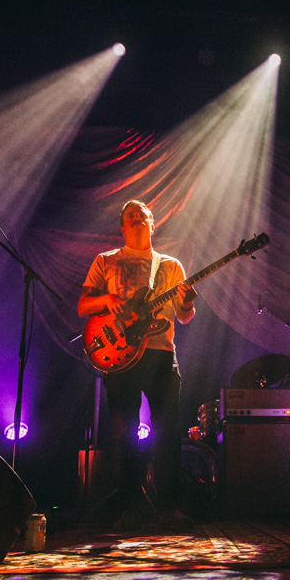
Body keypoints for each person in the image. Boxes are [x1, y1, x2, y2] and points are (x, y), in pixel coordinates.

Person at [78, 200, 197, 530]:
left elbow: (184, 317)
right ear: (122, 227)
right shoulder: (106, 261)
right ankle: (132, 506)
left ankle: (169, 507)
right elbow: (83, 306)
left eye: (142, 215)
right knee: (124, 433)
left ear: (152, 223)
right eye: (130, 216)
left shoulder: (170, 266)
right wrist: (108, 299)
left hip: (161, 353)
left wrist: (186, 303)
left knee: (169, 431)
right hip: (120, 355)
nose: (136, 219)